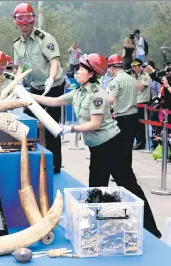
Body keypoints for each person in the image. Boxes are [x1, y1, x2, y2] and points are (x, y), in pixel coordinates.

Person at [29, 53, 161, 238]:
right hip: (98, 147)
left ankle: (151, 230)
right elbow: (53, 101)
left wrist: (70, 128)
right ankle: (98, 229)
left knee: (127, 186)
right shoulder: (78, 92)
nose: (78, 71)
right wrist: (29, 96)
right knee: (97, 187)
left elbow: (95, 124)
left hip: (111, 146)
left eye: (82, 69)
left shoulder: (98, 94)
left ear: (91, 74)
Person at [12, 2, 65, 174]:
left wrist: (50, 79)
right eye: (21, 24)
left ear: (33, 22)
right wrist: (17, 82)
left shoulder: (44, 38)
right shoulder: (17, 45)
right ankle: (33, 158)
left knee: (51, 126)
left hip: (54, 85)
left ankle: (55, 165)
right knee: (29, 122)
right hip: (35, 87)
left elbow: (54, 61)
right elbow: (20, 66)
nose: (24, 27)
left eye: (26, 24)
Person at [107, 54, 138, 166]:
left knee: (119, 147)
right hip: (133, 116)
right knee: (128, 147)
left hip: (122, 117)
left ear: (112, 67)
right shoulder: (132, 79)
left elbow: (110, 100)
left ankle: (121, 173)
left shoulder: (116, 81)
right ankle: (127, 171)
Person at [131, 58, 152, 150]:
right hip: (136, 102)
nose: (134, 68)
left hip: (143, 103)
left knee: (141, 125)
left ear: (140, 67)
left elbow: (141, 87)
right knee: (136, 124)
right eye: (133, 66)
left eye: (136, 66)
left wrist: (132, 80)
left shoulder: (145, 75)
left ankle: (141, 143)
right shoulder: (135, 76)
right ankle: (138, 142)